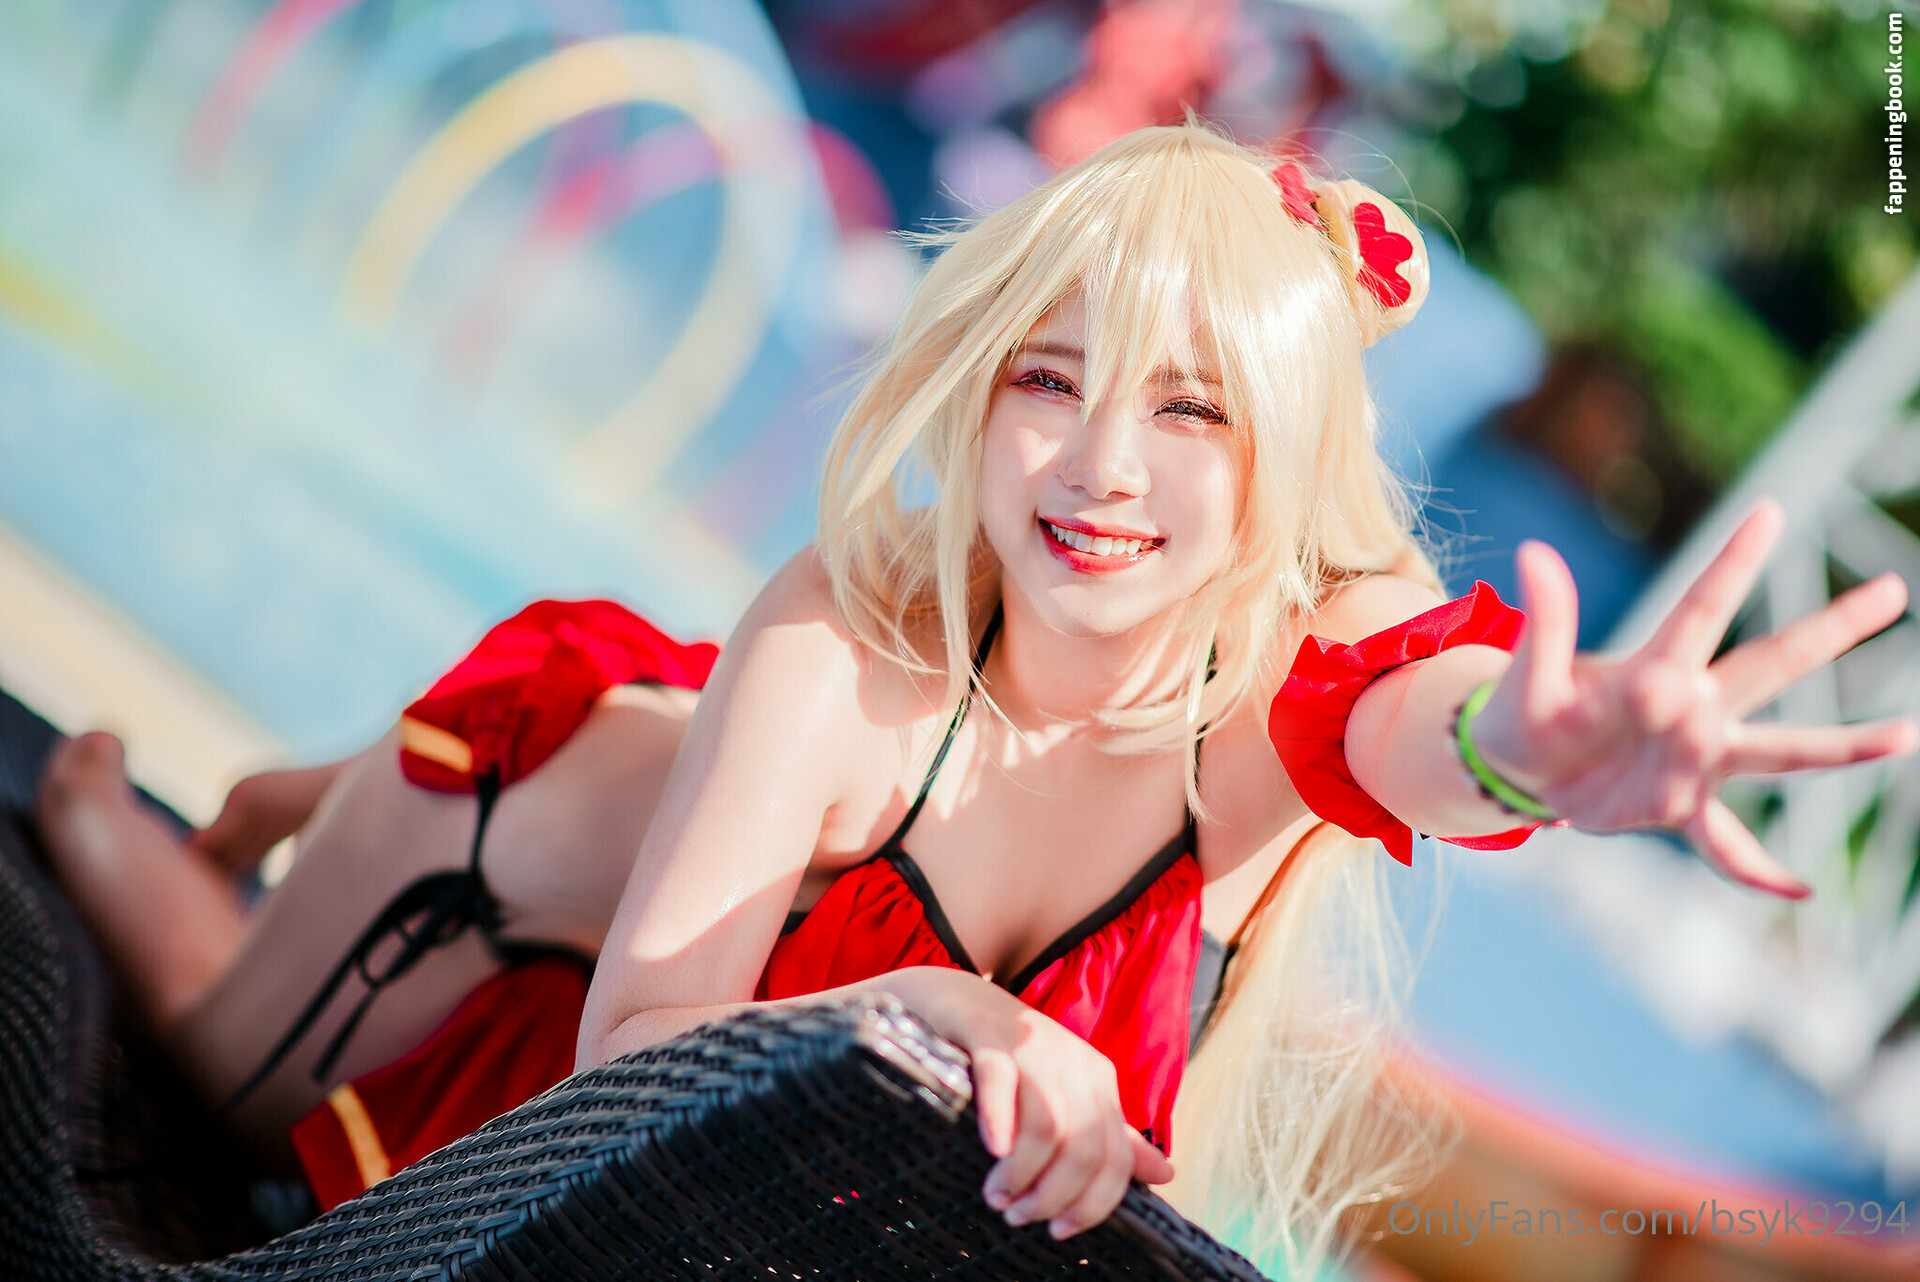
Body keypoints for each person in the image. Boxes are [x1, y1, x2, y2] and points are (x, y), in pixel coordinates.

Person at [33, 124, 1913, 1273]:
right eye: (1047, 380)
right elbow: (631, 1065)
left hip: (692, 858)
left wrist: (1543, 753)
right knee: (214, 1077)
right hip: (497, 869)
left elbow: (1432, 717)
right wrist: (927, 1004)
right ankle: (130, 814)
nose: (1100, 466)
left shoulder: (1284, 685)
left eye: (1190, 410)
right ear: (974, 384)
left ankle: (295, 795)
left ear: (1280, 469)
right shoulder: (837, 637)